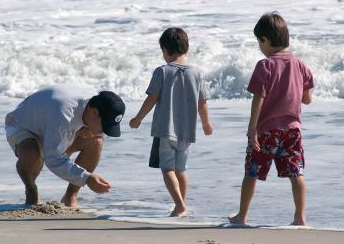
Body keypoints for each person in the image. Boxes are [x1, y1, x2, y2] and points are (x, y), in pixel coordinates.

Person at [228, 12, 314, 226]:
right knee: (296, 172)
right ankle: (300, 217)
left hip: (267, 130)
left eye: (259, 42)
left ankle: (242, 216)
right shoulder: (299, 64)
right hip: (293, 130)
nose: (260, 47)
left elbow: (259, 98)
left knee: (252, 172)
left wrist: (252, 127)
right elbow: (307, 99)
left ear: (265, 40)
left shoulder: (265, 65)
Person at [129, 27, 213, 217]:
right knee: (181, 169)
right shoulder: (197, 73)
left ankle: (179, 205)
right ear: (186, 49)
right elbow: (202, 102)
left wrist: (138, 119)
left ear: (165, 50)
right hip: (187, 132)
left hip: (165, 130)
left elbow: (151, 98)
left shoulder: (162, 71)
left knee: (167, 169)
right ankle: (180, 205)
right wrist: (206, 124)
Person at [5, 84, 125, 207]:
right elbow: (53, 159)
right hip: (22, 125)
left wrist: (87, 127)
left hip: (54, 125)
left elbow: (87, 125)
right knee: (32, 154)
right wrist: (87, 179)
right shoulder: (64, 116)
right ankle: (31, 190)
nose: (105, 131)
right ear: (94, 112)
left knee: (96, 141)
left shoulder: (98, 103)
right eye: (104, 126)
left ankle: (70, 196)